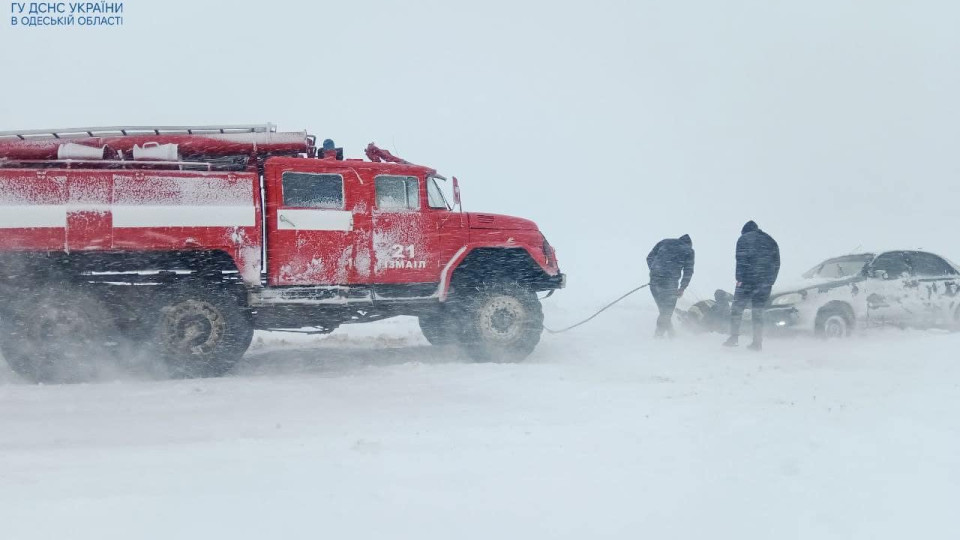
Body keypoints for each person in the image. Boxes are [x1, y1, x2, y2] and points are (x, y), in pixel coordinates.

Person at [724, 221, 780, 350]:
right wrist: (771, 280)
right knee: (758, 312)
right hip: (765, 283)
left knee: (737, 309)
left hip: (747, 281)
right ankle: (757, 342)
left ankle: (734, 338)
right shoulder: (770, 240)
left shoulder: (744, 239)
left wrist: (739, 279)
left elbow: (741, 259)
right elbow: (777, 262)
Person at [646, 234, 695, 337]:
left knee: (664, 311)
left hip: (654, 281)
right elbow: (688, 271)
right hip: (670, 283)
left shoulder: (664, 242)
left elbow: (649, 257)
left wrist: (655, 271)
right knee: (666, 312)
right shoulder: (689, 250)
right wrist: (682, 287)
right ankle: (658, 337)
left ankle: (671, 334)